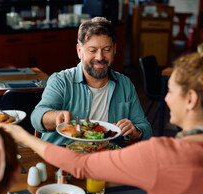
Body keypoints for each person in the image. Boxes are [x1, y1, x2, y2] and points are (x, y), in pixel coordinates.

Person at [0, 43, 203, 194]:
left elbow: (79, 164)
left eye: (170, 90)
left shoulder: (163, 155)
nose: (165, 98)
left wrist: (22, 136)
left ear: (191, 99)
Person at [31, 17, 152, 145]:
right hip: (64, 155)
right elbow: (37, 116)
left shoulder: (125, 84)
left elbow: (145, 128)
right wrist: (55, 117)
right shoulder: (61, 81)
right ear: (79, 51)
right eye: (92, 50)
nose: (100, 57)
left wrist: (136, 131)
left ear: (115, 49)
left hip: (107, 157)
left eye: (106, 50)